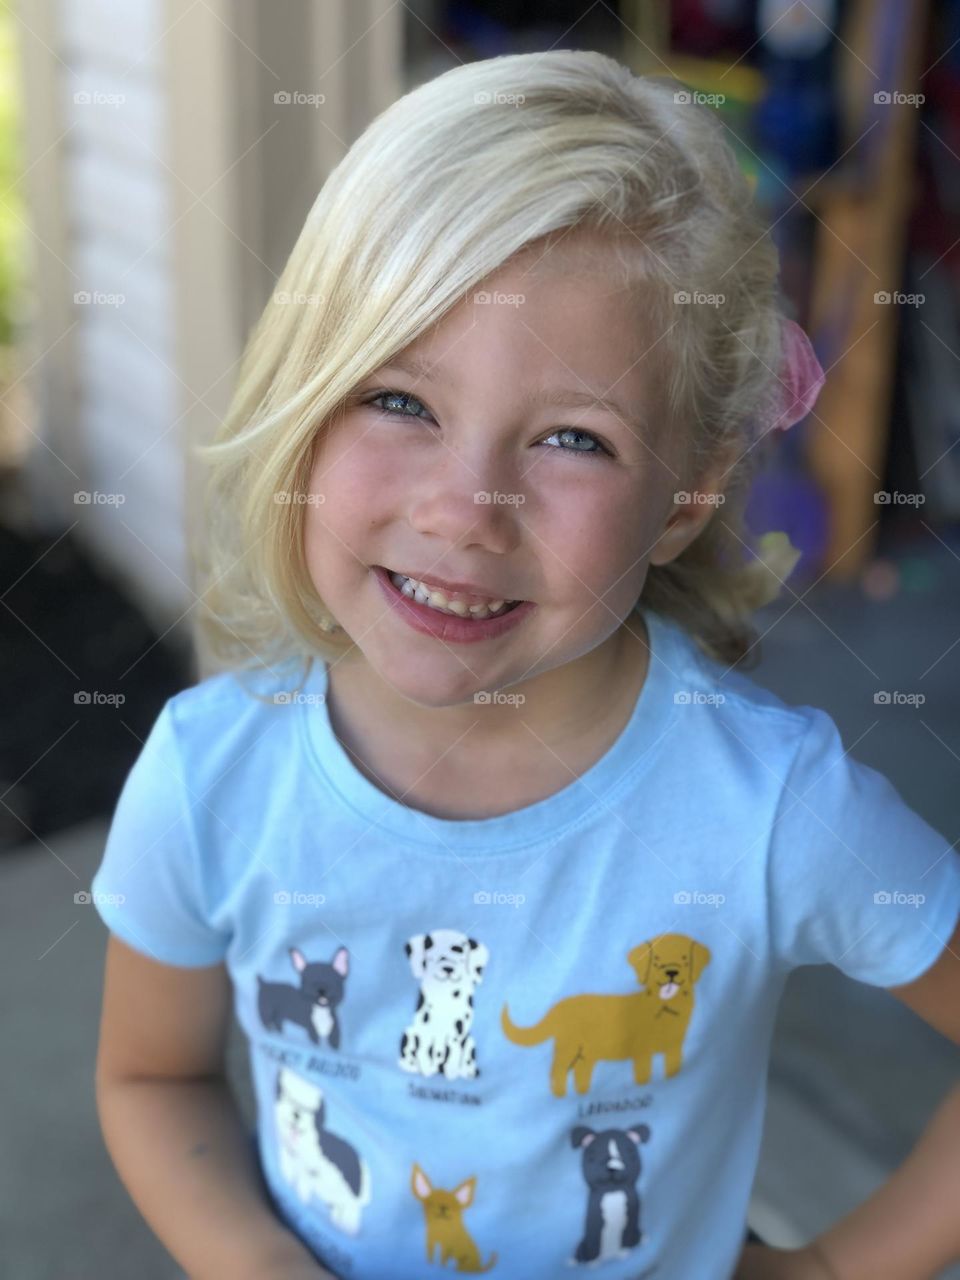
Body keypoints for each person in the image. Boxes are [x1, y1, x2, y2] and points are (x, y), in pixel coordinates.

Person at [91, 49, 960, 1280]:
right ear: (304, 394)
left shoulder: (769, 808)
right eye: (400, 399)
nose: (465, 509)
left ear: (683, 497)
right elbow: (151, 1072)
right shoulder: (208, 773)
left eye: (571, 436)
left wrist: (825, 1268)